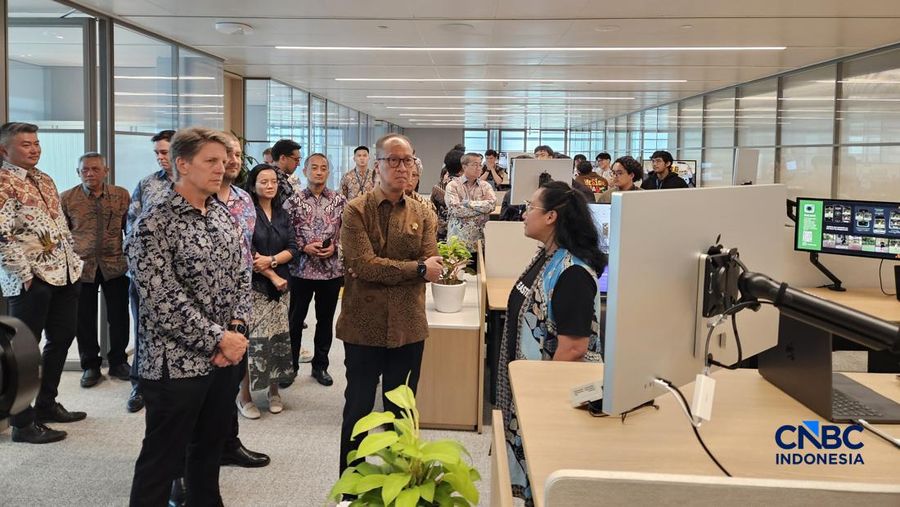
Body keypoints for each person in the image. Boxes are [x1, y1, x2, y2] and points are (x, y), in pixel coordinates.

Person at [127, 127, 250, 506]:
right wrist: (219, 339)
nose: (222, 167)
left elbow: (242, 276)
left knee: (208, 454)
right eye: (210, 161)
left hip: (224, 360)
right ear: (182, 164)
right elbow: (163, 300)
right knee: (162, 461)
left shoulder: (222, 215)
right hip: (174, 366)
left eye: (223, 160)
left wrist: (237, 330)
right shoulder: (153, 223)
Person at [336, 134, 442, 475]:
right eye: (393, 160)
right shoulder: (355, 210)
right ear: (377, 165)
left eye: (407, 160)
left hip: (408, 326)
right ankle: (350, 484)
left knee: (402, 412)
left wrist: (413, 268)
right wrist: (417, 269)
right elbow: (363, 265)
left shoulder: (423, 211)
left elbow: (433, 264)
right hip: (362, 325)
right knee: (358, 409)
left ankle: (402, 483)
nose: (401, 167)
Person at [496, 181, 606, 505]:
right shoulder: (546, 258)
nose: (524, 213)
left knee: (546, 479)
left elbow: (574, 348)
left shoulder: (573, 273)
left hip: (550, 396)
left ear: (551, 217)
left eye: (531, 207)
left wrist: (540, 399)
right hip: (530, 388)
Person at [0, 121, 85, 444]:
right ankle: (22, 422)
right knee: (23, 351)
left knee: (61, 338)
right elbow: (2, 235)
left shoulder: (44, 178)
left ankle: (47, 404)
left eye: (36, 143)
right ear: (4, 150)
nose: (34, 149)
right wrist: (24, 274)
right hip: (30, 280)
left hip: (64, 274)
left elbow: (59, 225)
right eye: (26, 144)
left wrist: (73, 261)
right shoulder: (4, 182)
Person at [217, 134, 271, 468]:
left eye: (238, 154)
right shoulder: (186, 201)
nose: (235, 160)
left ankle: (228, 443)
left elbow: (245, 254)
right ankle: (181, 465)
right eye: (227, 154)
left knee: (230, 378)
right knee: (195, 391)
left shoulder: (243, 199)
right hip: (201, 310)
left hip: (237, 304)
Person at [60, 152, 131, 388]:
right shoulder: (67, 198)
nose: (90, 174)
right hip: (82, 267)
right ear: (78, 172)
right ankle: (90, 365)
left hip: (115, 265)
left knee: (119, 316)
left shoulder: (121, 195)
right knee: (84, 318)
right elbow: (62, 235)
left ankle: (119, 361)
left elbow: (129, 229)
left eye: (95, 169)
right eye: (85, 170)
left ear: (105, 171)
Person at [237, 163, 298, 416]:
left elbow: (293, 248)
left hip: (282, 289)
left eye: (273, 181)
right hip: (255, 288)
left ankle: (274, 391)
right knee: (252, 343)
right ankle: (244, 396)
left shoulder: (283, 213)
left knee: (278, 341)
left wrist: (271, 261)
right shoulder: (246, 213)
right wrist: (271, 273)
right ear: (253, 186)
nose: (270, 186)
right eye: (264, 182)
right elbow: (246, 251)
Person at [125, 128, 176, 413]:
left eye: (164, 152)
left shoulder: (196, 184)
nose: (160, 158)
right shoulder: (147, 185)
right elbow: (132, 229)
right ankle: (139, 385)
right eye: (157, 153)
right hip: (148, 275)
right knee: (143, 330)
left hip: (183, 276)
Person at [286, 153, 347, 388]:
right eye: (314, 167)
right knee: (295, 320)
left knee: (325, 321)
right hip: (300, 271)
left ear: (328, 172)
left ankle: (320, 366)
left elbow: (349, 232)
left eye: (323, 168)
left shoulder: (340, 201)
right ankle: (290, 366)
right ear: (304, 171)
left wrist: (336, 247)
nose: (319, 172)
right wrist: (303, 246)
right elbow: (284, 232)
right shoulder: (293, 201)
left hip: (331, 272)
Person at [445, 152, 497, 258]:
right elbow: (455, 210)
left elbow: (491, 205)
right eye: (475, 165)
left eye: (480, 165)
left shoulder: (485, 186)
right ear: (464, 166)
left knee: (480, 267)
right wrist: (481, 209)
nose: (479, 168)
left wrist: (467, 203)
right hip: (458, 240)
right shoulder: (453, 185)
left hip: (480, 241)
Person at [431, 149, 464, 241]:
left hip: (441, 234)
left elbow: (432, 210)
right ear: (462, 168)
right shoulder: (466, 187)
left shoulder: (437, 188)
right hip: (461, 234)